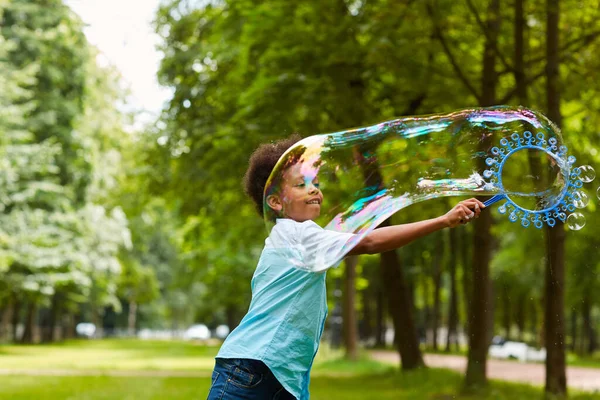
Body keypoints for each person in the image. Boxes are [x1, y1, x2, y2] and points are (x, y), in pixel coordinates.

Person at [207, 135, 485, 400]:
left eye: (313, 182)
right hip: (254, 368)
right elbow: (370, 241)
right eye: (301, 184)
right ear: (276, 202)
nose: (314, 188)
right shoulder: (297, 235)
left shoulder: (295, 239)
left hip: (279, 375)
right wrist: (442, 220)